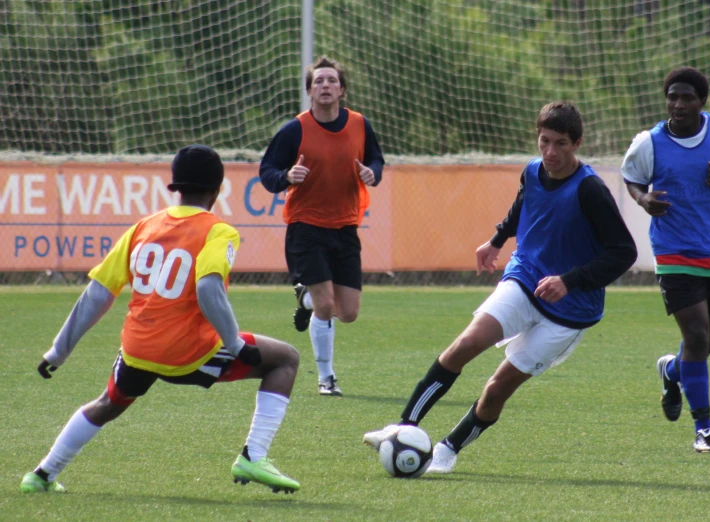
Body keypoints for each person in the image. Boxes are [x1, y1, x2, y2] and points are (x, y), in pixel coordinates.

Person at [363, 102, 638, 473]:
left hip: (572, 309)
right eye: (544, 141)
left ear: (578, 143)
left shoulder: (590, 190)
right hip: (525, 277)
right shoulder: (532, 171)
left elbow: (624, 253)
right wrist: (496, 240)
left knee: (497, 388)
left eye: (560, 144)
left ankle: (448, 449)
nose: (551, 152)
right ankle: (402, 427)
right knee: (467, 343)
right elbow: (523, 205)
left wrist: (570, 282)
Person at [20, 145, 301, 494]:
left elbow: (97, 294)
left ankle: (41, 475)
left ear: (175, 187)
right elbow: (209, 289)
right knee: (286, 358)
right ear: (217, 191)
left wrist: (58, 351)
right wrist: (235, 345)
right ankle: (253, 455)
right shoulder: (218, 231)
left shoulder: (143, 227)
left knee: (109, 403)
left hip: (138, 350)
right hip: (189, 353)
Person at [621, 66, 710, 452]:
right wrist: (643, 199)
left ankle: (672, 370)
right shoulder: (649, 142)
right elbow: (632, 176)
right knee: (697, 336)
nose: (678, 104)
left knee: (707, 344)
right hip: (674, 252)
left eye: (687, 97)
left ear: (703, 101)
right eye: (673, 96)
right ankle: (704, 429)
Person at [260, 56, 385, 397]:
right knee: (327, 304)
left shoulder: (360, 124)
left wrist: (373, 173)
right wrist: (285, 176)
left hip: (346, 228)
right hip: (306, 227)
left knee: (348, 313)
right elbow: (266, 172)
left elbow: (376, 159)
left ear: (342, 90)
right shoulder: (294, 129)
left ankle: (306, 301)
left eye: (331, 80)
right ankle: (326, 378)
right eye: (318, 81)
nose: (325, 85)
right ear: (310, 91)